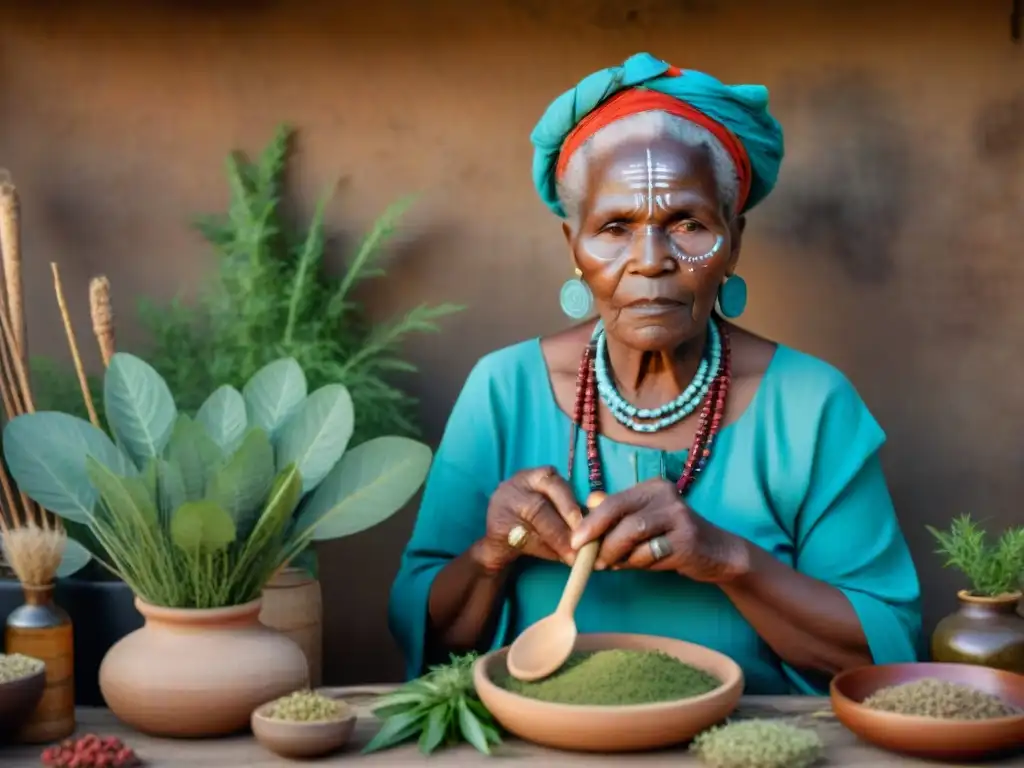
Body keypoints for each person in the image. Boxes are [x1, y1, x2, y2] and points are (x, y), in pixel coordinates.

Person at [388, 52, 921, 694]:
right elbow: (426, 636)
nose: (650, 261)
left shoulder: (811, 406)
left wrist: (727, 559)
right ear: (572, 247)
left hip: (751, 745)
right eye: (614, 227)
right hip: (537, 743)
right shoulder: (502, 391)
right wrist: (490, 555)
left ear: (735, 241)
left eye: (689, 224)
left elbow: (886, 648)